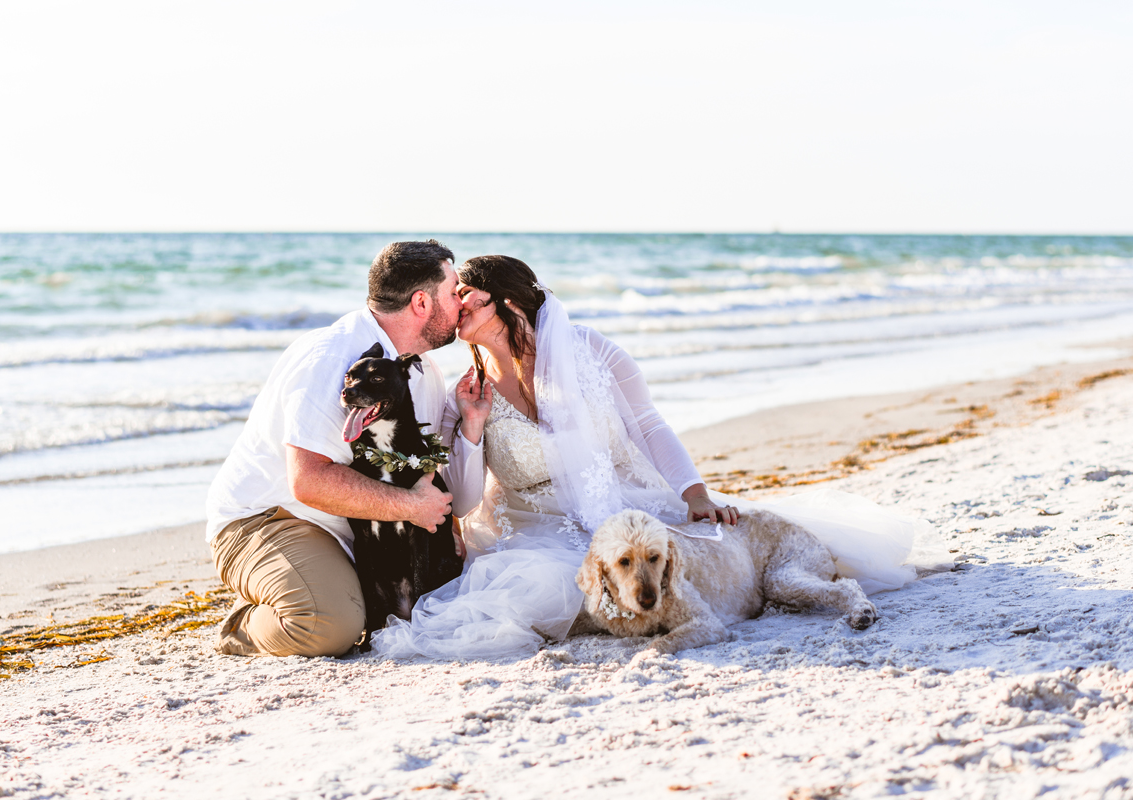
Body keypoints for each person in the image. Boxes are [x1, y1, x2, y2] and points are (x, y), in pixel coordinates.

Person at [371, 255, 950, 660]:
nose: (454, 309)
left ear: (504, 300)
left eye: (464, 294)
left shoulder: (592, 351)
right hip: (539, 532)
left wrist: (694, 494)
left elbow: (649, 426)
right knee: (540, 601)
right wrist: (472, 429)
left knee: (731, 551)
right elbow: (465, 500)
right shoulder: (465, 394)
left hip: (632, 506)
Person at [205, 240, 492, 658]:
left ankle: (317, 583)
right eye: (452, 293)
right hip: (268, 519)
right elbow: (308, 481)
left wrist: (447, 523)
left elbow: (422, 470)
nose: (460, 304)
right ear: (420, 303)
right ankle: (243, 625)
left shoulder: (421, 370)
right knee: (330, 625)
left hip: (353, 529)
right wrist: (412, 507)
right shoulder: (330, 359)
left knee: (454, 600)